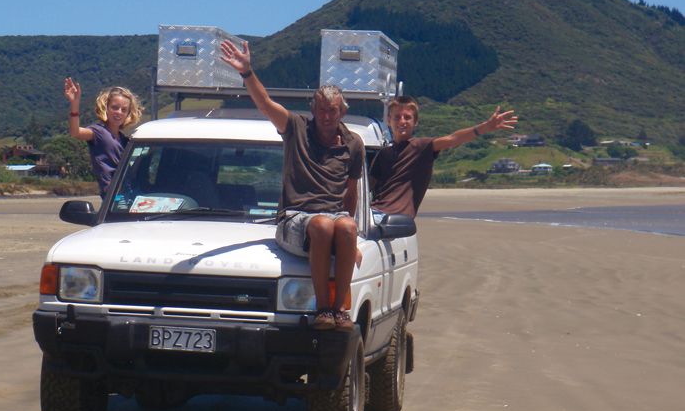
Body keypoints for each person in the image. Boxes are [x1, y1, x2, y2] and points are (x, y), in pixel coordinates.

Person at [220, 39, 363, 331]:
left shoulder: (354, 144)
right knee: (322, 225)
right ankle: (322, 309)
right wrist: (247, 73)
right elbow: (265, 105)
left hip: (333, 219)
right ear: (312, 108)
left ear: (342, 112)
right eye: (320, 109)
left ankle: (339, 311)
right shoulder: (296, 128)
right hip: (295, 219)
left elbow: (352, 193)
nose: (325, 116)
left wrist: (352, 241)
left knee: (346, 227)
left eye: (332, 110)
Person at [369, 96, 518, 218]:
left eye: (407, 117)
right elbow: (364, 187)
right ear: (388, 121)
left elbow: (453, 139)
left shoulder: (420, 147)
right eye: (397, 117)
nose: (402, 121)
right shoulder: (383, 154)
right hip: (372, 212)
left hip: (391, 217)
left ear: (415, 122)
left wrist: (486, 127)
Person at [63, 78, 144, 198]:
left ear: (128, 113)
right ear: (106, 109)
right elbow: (75, 132)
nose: (119, 112)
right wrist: (74, 105)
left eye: (124, 110)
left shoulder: (126, 140)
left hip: (132, 194)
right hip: (112, 197)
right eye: (114, 108)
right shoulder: (98, 133)